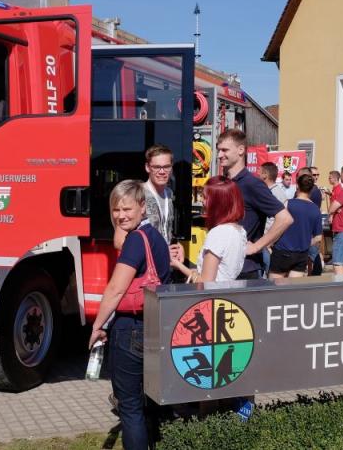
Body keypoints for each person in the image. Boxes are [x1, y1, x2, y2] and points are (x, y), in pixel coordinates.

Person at [89, 180, 171, 450]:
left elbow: (115, 289)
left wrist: (97, 326)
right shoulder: (155, 237)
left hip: (130, 329)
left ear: (142, 207)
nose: (120, 215)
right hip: (154, 327)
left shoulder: (136, 241)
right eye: (115, 210)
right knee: (147, 405)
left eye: (126, 208)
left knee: (130, 408)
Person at [215, 129, 293, 278]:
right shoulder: (224, 182)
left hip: (245, 269)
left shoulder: (252, 183)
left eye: (225, 150)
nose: (219, 155)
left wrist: (257, 246)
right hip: (222, 266)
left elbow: (285, 218)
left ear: (240, 150)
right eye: (218, 150)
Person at [114, 145, 184, 266]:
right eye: (157, 167)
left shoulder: (169, 194)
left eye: (166, 167)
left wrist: (179, 247)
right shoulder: (136, 194)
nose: (162, 172)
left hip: (164, 269)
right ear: (147, 167)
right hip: (144, 270)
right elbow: (119, 241)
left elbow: (164, 230)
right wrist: (160, 251)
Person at [171, 175, 247, 283]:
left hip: (211, 297)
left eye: (206, 197)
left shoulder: (218, 233)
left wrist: (178, 265)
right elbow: (219, 272)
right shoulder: (240, 231)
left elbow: (205, 281)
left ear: (218, 203)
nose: (202, 201)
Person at [269, 174, 323, 278]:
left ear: (297, 186)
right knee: (294, 289)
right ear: (311, 189)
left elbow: (277, 225)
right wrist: (306, 243)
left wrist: (270, 243)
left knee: (275, 289)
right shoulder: (316, 209)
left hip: (282, 251)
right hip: (301, 254)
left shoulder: (288, 204)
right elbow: (318, 238)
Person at [261, 162, 288, 272]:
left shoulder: (273, 193)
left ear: (265, 174)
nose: (258, 175)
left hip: (268, 241)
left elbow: (280, 219)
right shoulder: (275, 192)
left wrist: (269, 241)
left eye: (260, 172)